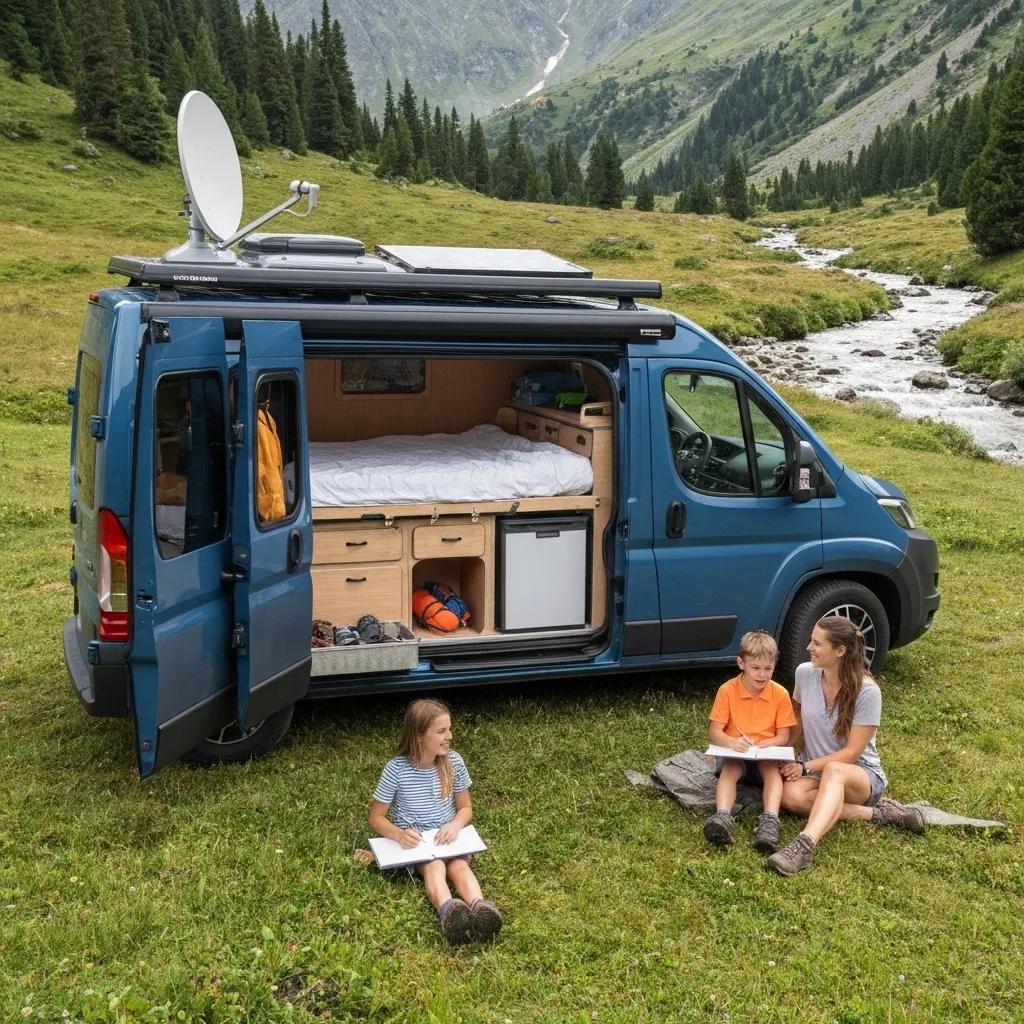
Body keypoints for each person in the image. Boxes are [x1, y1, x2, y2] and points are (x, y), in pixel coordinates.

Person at [767, 616, 926, 876]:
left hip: (859, 775)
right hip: (816, 770)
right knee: (790, 797)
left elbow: (851, 754)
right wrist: (771, 749)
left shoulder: (867, 691)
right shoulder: (804, 674)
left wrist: (804, 767)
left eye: (817, 643)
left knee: (835, 770)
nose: (809, 647)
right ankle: (878, 815)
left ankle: (805, 844)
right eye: (811, 641)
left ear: (840, 651)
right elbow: (797, 727)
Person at [369, 698, 503, 944]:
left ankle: (482, 909)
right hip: (419, 845)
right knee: (435, 867)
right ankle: (449, 912)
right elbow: (376, 818)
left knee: (459, 867)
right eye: (441, 731)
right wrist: (399, 834)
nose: (449, 736)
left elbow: (465, 808)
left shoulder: (454, 762)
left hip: (449, 841)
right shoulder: (396, 769)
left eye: (449, 729)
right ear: (419, 735)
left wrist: (454, 826)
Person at [703, 630, 797, 854]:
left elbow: (784, 736)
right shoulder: (727, 690)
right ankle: (723, 817)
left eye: (768, 668)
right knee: (731, 767)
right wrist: (732, 743)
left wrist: (769, 743)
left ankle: (770, 821)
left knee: (770, 769)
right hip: (736, 754)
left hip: (765, 755)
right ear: (741, 663)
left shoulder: (780, 694)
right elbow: (714, 731)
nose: (762, 675)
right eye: (756, 668)